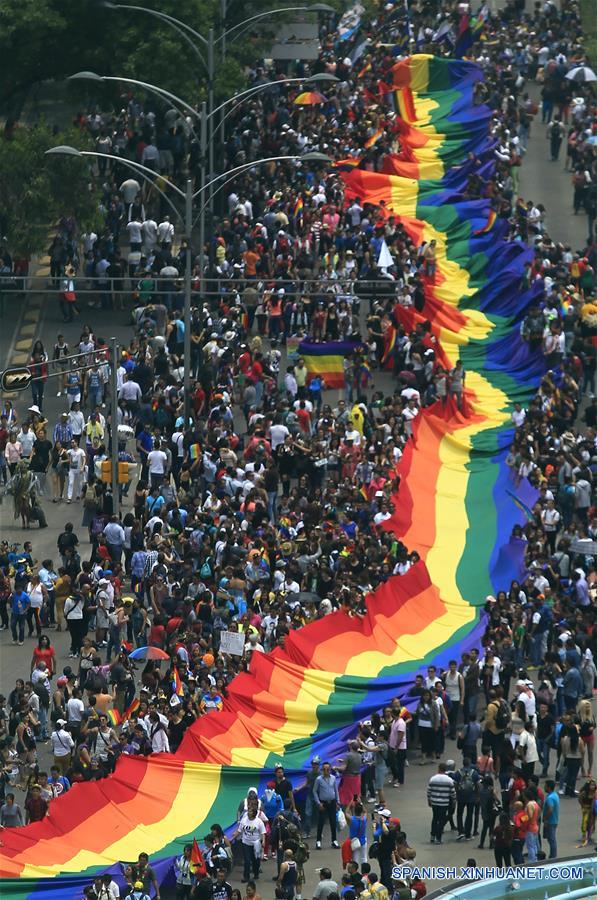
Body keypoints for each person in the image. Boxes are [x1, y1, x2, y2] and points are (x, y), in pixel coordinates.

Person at [235, 803, 265, 883]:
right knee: (247, 860)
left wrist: (263, 841)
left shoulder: (259, 822)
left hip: (256, 844)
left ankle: (256, 873)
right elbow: (239, 830)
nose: (248, 812)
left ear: (254, 813)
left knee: (256, 860)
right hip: (246, 843)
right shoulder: (244, 820)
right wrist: (233, 836)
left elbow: (262, 833)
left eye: (250, 811)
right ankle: (246, 876)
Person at [426, 762, 456, 845]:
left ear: (439, 769)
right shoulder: (449, 780)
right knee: (441, 820)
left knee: (435, 819)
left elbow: (429, 791)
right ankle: (438, 838)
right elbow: (452, 793)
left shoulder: (433, 779)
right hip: (444, 803)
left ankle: (432, 836)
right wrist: (453, 802)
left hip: (435, 802)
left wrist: (429, 800)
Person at [313, 760, 340, 849]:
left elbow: (336, 790)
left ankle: (334, 840)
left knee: (333, 822)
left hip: (332, 802)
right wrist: (318, 803)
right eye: (324, 769)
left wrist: (337, 801)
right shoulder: (319, 779)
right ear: (322, 770)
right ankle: (318, 841)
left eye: (328, 769)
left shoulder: (333, 778)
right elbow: (315, 791)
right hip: (323, 803)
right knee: (321, 822)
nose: (326, 771)